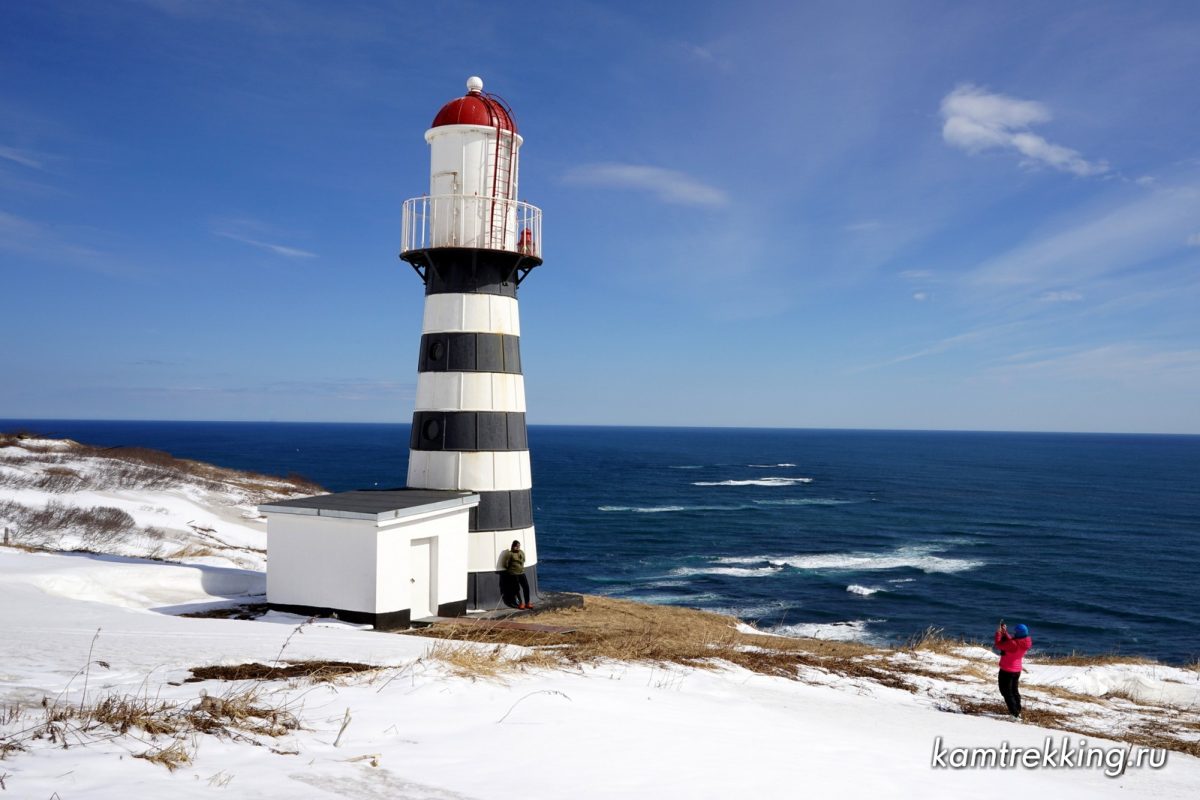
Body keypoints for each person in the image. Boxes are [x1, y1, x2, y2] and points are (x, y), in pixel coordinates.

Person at [995, 622, 1032, 720]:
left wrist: (998, 633)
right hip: (1016, 670)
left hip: (1007, 670)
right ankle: (1018, 711)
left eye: (1016, 632)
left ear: (1019, 633)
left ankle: (1014, 714)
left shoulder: (1013, 644)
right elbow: (1012, 642)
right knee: (1014, 691)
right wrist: (1005, 632)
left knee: (1006, 692)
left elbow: (999, 645)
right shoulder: (1025, 641)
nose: (1014, 633)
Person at [501, 540, 533, 610]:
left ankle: (527, 602)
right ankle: (521, 603)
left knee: (526, 587)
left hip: (521, 572)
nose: (518, 548)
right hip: (513, 574)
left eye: (518, 546)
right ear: (513, 546)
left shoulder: (521, 552)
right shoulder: (510, 554)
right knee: (516, 589)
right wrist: (511, 569)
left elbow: (523, 560)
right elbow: (505, 564)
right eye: (516, 546)